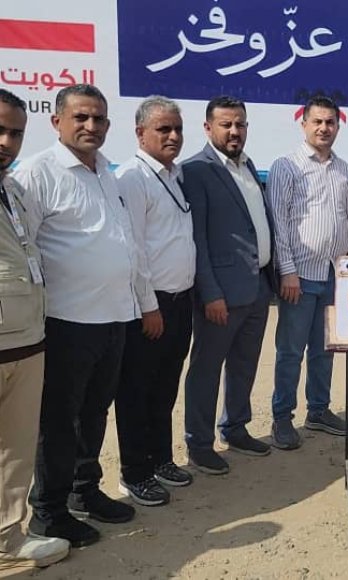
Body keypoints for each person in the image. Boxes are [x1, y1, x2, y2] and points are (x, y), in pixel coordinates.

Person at [15, 84, 139, 547]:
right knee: (59, 420)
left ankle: (84, 491)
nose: (91, 126)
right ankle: (48, 511)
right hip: (66, 321)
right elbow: (23, 246)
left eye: (99, 118)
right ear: (57, 122)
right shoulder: (38, 173)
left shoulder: (106, 170)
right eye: (81, 117)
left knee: (94, 413)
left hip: (113, 317)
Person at [181, 96, 276, 475]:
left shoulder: (247, 165)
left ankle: (235, 427)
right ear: (208, 128)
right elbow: (197, 239)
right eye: (226, 125)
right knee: (206, 369)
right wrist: (211, 293)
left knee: (244, 365)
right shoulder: (197, 171)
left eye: (240, 124)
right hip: (221, 294)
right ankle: (199, 443)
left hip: (257, 288)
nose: (234, 131)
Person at [114, 96, 196, 506]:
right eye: (164, 129)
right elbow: (134, 249)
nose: (173, 136)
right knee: (137, 391)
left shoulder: (175, 174)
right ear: (140, 133)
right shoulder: (132, 177)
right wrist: (149, 306)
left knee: (165, 387)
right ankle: (134, 473)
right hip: (151, 306)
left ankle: (160, 459)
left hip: (181, 301)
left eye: (177, 128)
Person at [0, 89, 70, 568]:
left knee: (15, 452)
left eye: (16, 133)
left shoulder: (15, 191)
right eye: (0, 130)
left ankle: (7, 541)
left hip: (26, 341)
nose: (7, 142)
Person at [266, 96, 348, 450]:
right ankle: (282, 417)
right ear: (303, 124)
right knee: (290, 351)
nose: (324, 128)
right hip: (299, 277)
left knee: (324, 350)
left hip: (332, 275)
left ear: (338, 126)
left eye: (330, 122)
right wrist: (287, 271)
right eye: (317, 121)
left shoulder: (343, 169)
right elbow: (279, 223)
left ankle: (318, 410)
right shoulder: (286, 166)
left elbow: (346, 218)